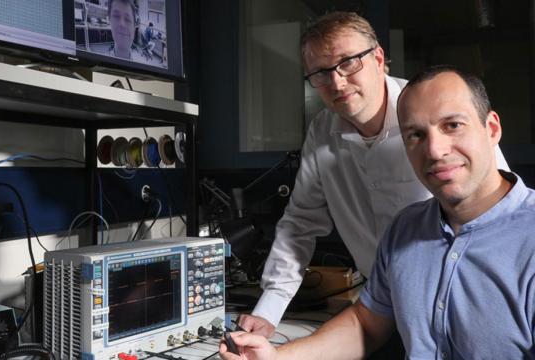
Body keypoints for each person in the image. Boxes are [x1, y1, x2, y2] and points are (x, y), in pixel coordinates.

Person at [221, 65, 535, 359]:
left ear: (491, 129)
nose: (435, 151)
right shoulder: (405, 229)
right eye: (415, 135)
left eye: (452, 125)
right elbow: (366, 325)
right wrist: (277, 357)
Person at [238, 11, 509, 339]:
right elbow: (300, 224)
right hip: (380, 308)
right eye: (321, 73)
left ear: (378, 58)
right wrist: (268, 311)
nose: (337, 82)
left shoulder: (431, 110)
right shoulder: (322, 132)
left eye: (349, 62)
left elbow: (499, 210)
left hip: (464, 301)